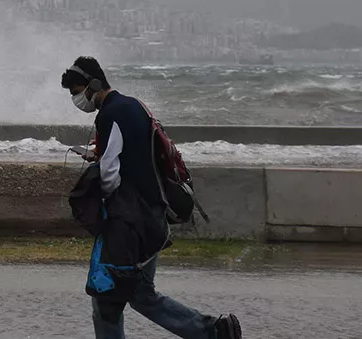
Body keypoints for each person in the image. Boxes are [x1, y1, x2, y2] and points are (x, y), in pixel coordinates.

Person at [62, 56, 243, 339]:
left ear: (94, 84)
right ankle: (215, 332)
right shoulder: (134, 105)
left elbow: (111, 171)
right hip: (152, 217)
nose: (77, 99)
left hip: (130, 223)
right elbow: (136, 154)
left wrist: (104, 198)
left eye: (76, 91)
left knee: (107, 299)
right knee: (142, 295)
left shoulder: (110, 114)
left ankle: (213, 332)